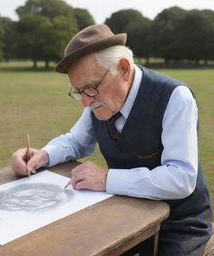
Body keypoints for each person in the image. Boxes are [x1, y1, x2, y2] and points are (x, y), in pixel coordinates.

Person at [12, 24, 212, 255]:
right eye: (78, 92)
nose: (85, 102)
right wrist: (43, 155)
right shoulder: (97, 100)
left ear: (124, 69)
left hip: (179, 222)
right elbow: (76, 142)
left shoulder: (175, 97)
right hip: (125, 210)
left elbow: (181, 177)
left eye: (90, 88)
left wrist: (107, 180)